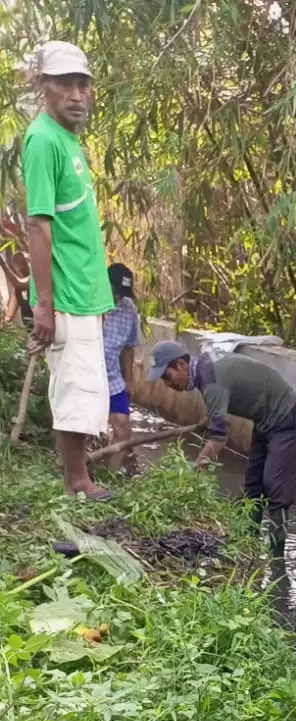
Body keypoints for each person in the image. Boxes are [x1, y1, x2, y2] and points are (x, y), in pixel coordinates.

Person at [21, 41, 114, 501]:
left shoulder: (67, 140)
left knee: (87, 387)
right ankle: (77, 482)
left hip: (84, 290)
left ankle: (82, 476)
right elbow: (38, 224)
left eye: (83, 85)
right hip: (67, 292)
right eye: (66, 84)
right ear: (45, 86)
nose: (78, 95)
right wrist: (44, 302)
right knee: (74, 389)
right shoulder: (42, 140)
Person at [147, 341, 296, 553]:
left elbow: (219, 439)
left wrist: (192, 471)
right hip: (264, 420)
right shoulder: (205, 367)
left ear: (181, 365)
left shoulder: (211, 382)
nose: (167, 384)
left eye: (167, 377)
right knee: (254, 485)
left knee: (274, 485)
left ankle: (277, 556)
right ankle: (249, 544)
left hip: (286, 416)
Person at [102, 262, 140, 472]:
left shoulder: (128, 309)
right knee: (79, 429)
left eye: (122, 292)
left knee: (123, 428)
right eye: (116, 290)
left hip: (112, 377)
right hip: (86, 374)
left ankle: (110, 477)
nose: (118, 296)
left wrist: (129, 381)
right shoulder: (90, 303)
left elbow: (128, 348)